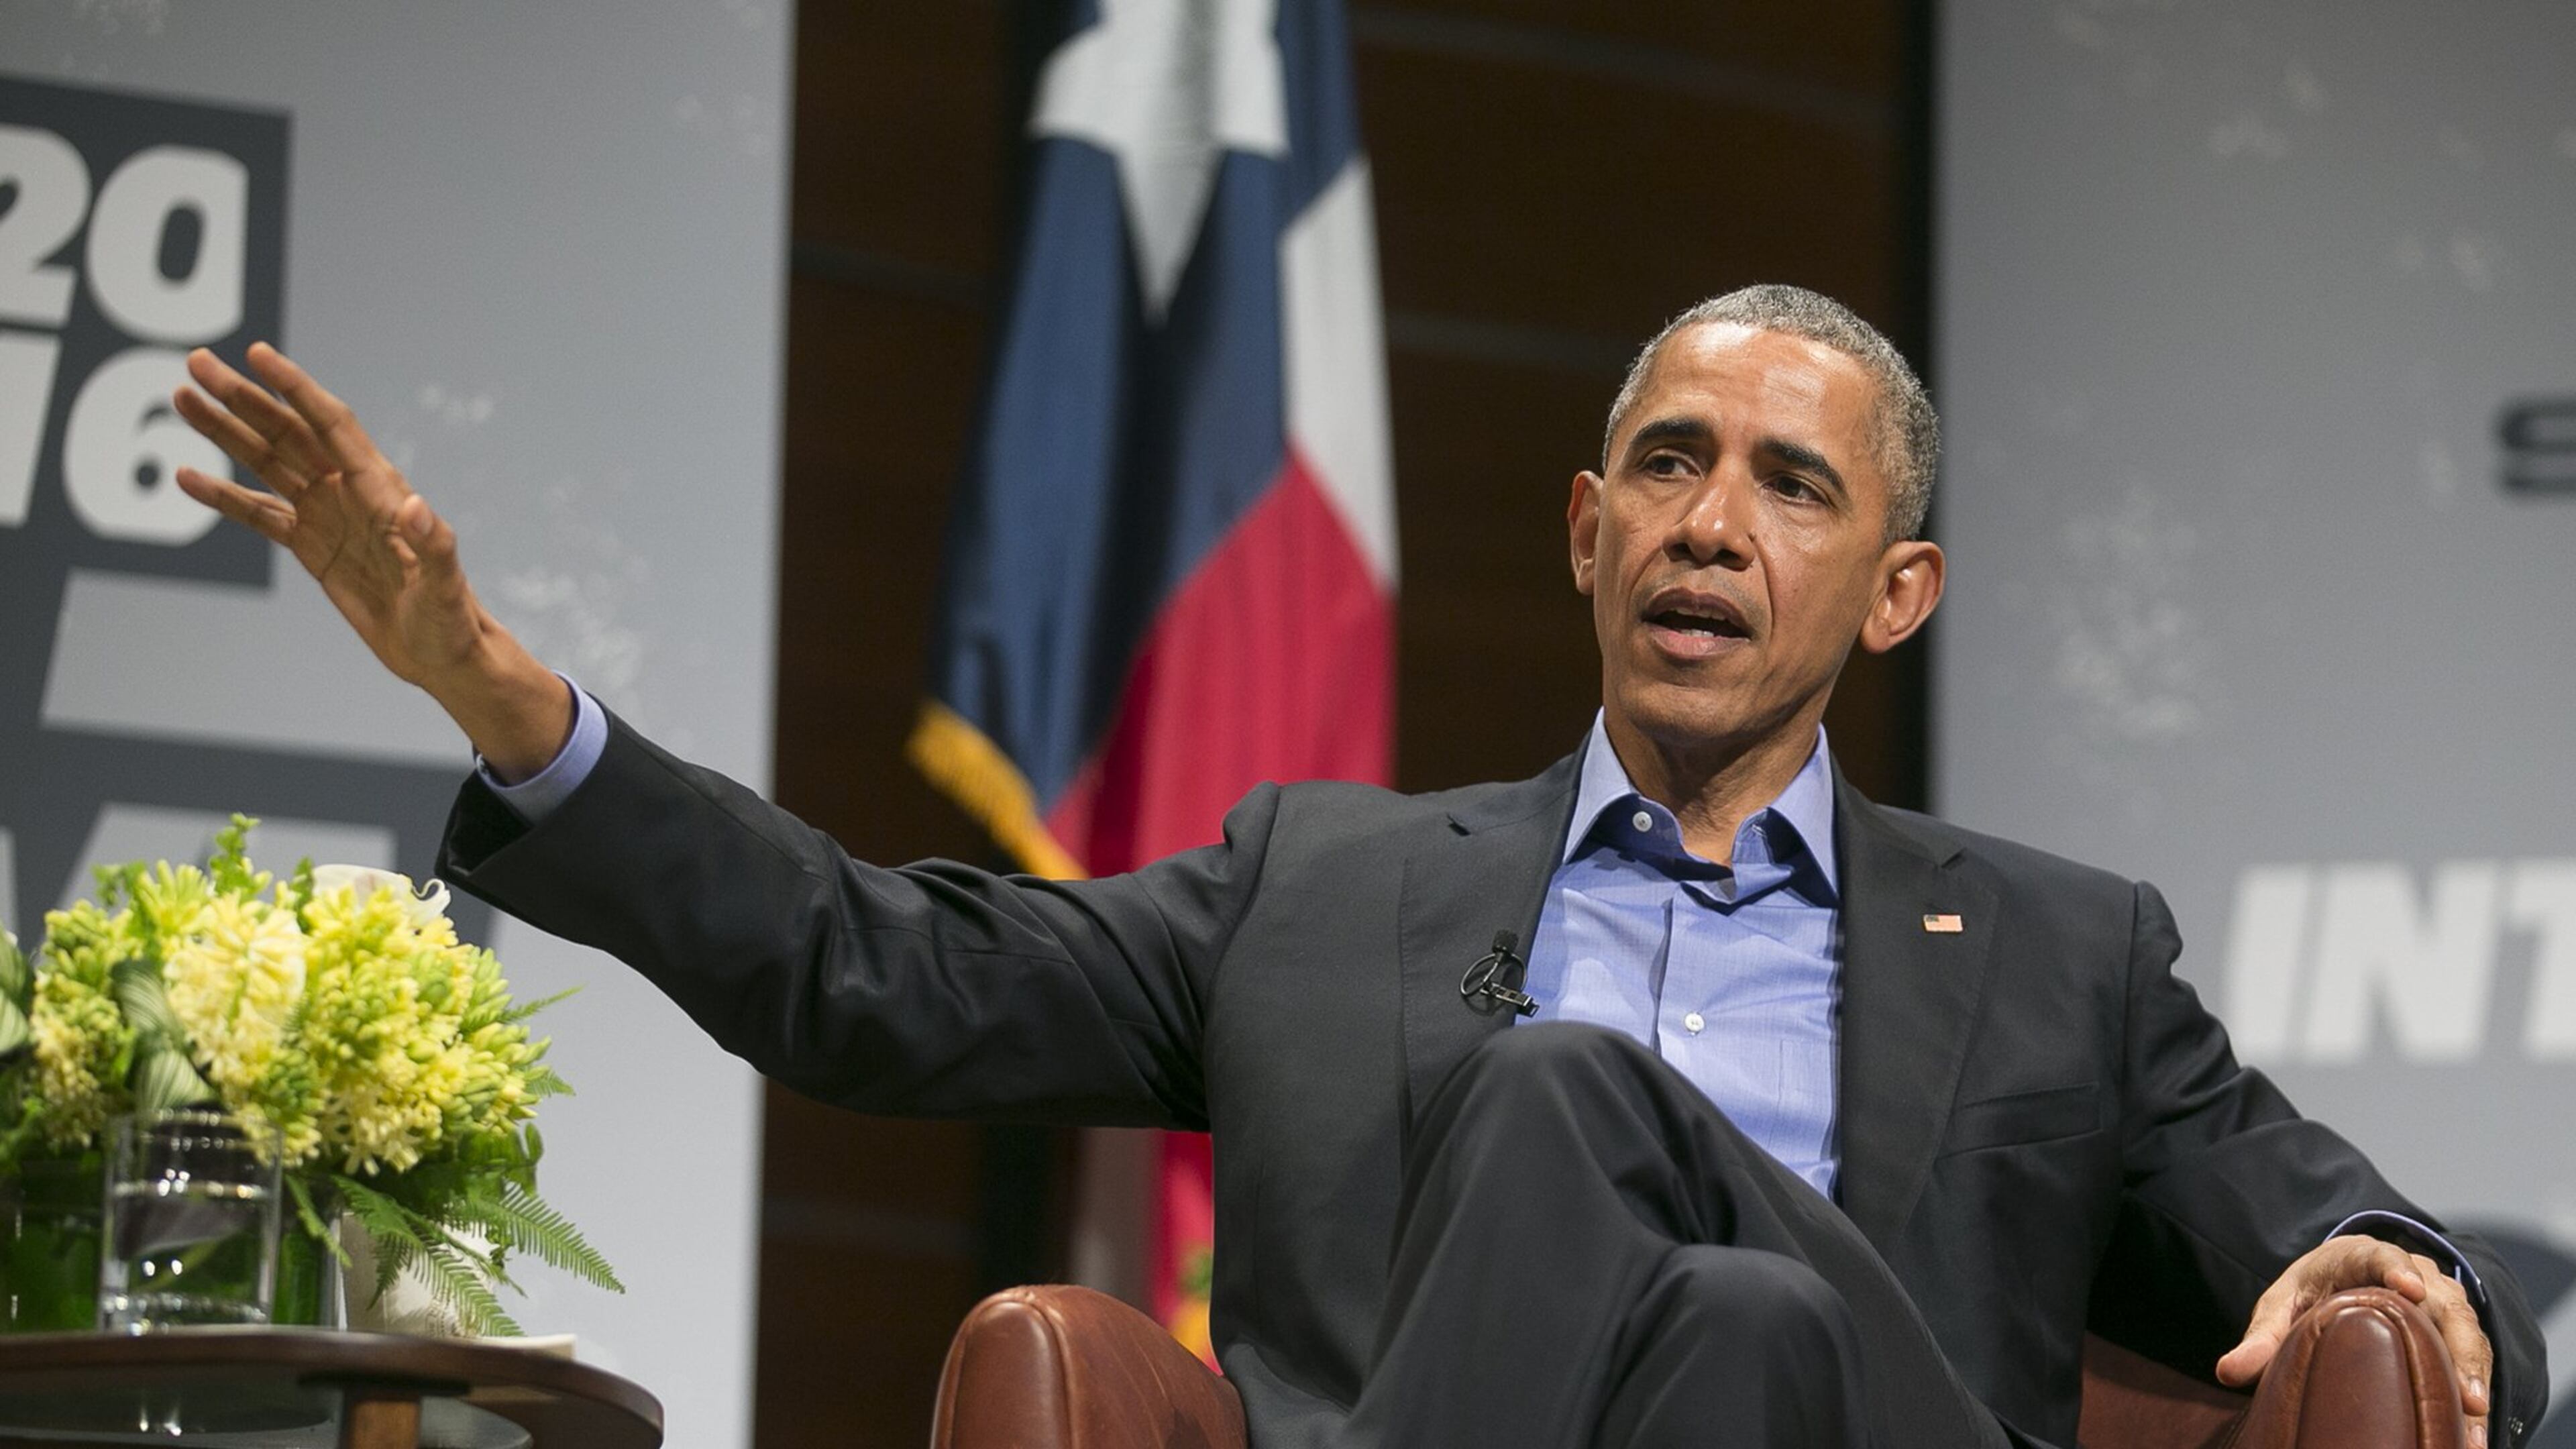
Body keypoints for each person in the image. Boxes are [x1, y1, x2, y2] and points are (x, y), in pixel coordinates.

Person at [170, 285, 2542, 1449]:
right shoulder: (1324, 886)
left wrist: (2410, 1277)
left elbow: (2376, 1256)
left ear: (1893, 591)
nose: (1719, 520)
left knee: (1564, 1100)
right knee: (1725, 1326)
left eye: (1794, 487)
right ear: (1586, 531)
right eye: (1672, 464)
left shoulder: (2057, 947)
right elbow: (870, 976)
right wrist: (494, 688)